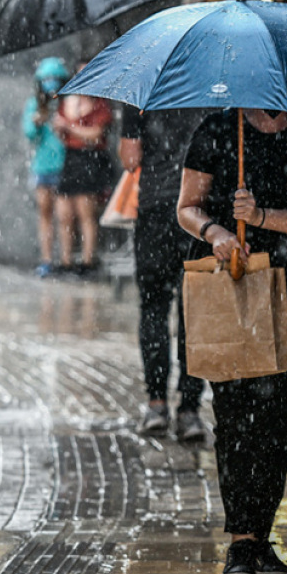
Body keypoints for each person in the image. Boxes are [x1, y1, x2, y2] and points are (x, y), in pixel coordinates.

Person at [177, 108, 287, 574]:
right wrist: (216, 232)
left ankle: (260, 534)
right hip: (233, 291)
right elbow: (188, 207)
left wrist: (262, 216)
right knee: (234, 417)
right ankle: (241, 543)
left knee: (277, 421)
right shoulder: (217, 129)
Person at [118, 106, 209, 440]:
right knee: (194, 313)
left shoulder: (143, 91)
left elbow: (130, 160)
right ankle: (189, 410)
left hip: (156, 210)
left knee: (154, 307)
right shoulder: (213, 83)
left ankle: (156, 404)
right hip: (201, 215)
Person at [51, 63, 113, 275]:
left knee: (86, 211)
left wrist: (70, 127)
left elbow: (96, 134)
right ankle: (65, 260)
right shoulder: (68, 102)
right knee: (64, 212)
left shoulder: (99, 104)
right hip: (71, 158)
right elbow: (65, 133)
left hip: (90, 160)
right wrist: (63, 128)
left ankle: (88, 260)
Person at [21, 57, 70, 277]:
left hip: (64, 165)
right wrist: (36, 122)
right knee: (45, 214)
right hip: (43, 166)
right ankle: (47, 259)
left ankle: (66, 259)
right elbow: (29, 133)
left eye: (55, 79)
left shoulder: (67, 103)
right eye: (47, 79)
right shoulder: (34, 104)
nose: (51, 83)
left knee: (64, 216)